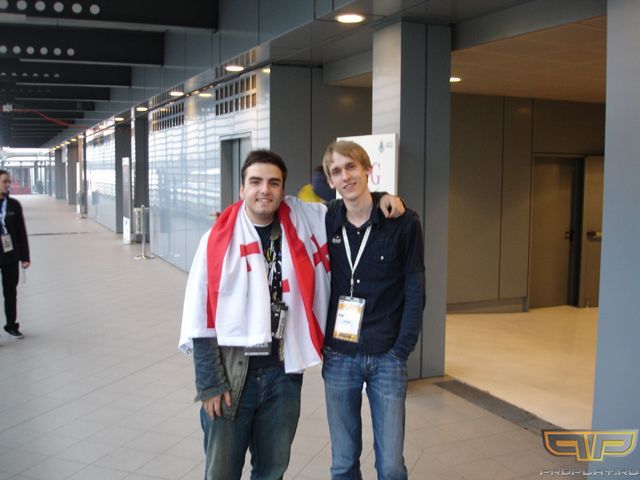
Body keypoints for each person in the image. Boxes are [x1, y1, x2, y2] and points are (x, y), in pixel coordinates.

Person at [179, 149, 405, 480]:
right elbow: (200, 314)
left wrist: (383, 196)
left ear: (283, 190)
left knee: (272, 471)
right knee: (222, 473)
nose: (264, 190)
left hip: (282, 375)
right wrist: (209, 383)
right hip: (232, 373)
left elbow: (351, 204)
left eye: (274, 183)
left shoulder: (301, 219)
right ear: (242, 188)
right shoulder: (215, 241)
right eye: (255, 182)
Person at [321, 141, 425, 480]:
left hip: (387, 355)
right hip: (340, 354)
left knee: (391, 466)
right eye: (337, 171)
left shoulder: (403, 223)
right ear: (331, 181)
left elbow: (415, 290)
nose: (345, 176)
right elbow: (277, 208)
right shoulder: (328, 220)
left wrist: (401, 350)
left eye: (351, 167)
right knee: (343, 462)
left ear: (368, 170)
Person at [0, 170, 30, 339]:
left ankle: (11, 325)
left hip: (10, 255)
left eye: (8, 181)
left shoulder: (13, 205)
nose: (8, 184)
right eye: (4, 181)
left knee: (10, 292)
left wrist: (25, 257)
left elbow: (21, 232)